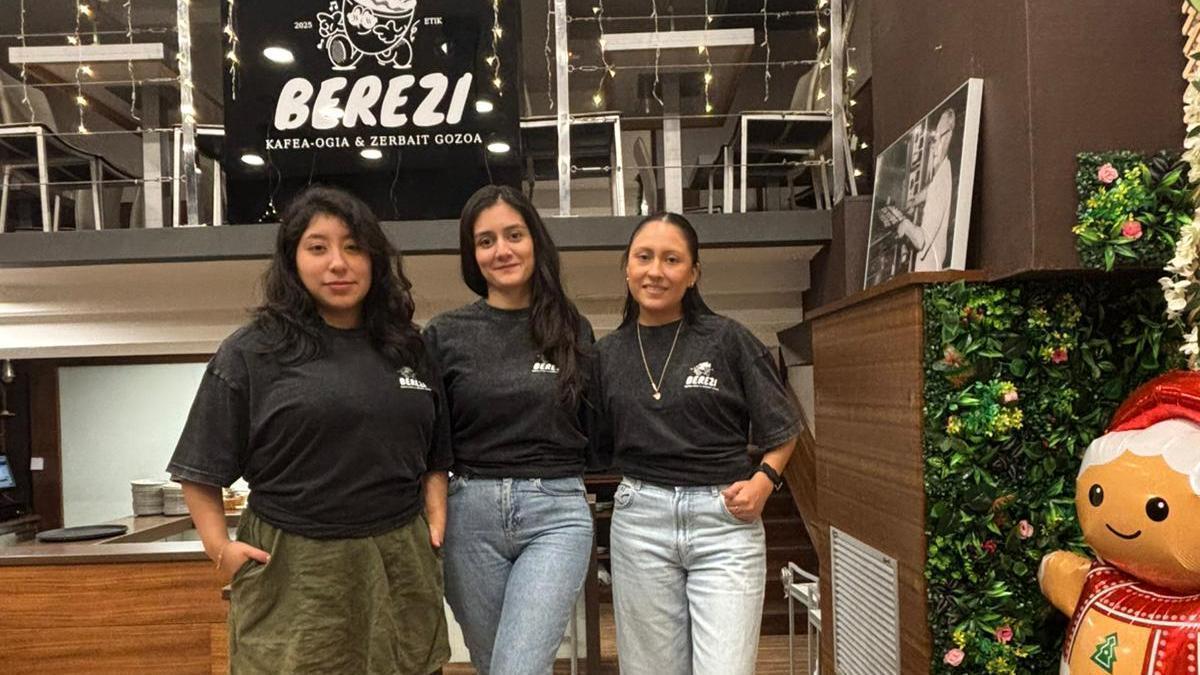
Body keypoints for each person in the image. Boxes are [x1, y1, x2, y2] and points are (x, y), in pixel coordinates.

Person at [166, 185, 451, 674]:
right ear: (293, 260)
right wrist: (220, 549)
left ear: (375, 260)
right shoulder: (252, 352)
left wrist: (435, 520)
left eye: (353, 247)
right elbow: (199, 469)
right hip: (294, 565)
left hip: (399, 561)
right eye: (318, 247)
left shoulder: (409, 347)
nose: (338, 263)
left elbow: (436, 454)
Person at [595, 212, 801, 675]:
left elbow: (784, 428)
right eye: (644, 257)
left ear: (692, 275)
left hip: (724, 521)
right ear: (627, 268)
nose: (655, 271)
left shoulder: (728, 339)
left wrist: (765, 481)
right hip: (640, 522)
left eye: (672, 259)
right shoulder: (606, 354)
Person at [423, 185, 595, 674]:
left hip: (556, 512)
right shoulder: (444, 333)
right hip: (468, 514)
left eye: (513, 235)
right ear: (471, 255)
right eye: (485, 241)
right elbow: (429, 436)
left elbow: (594, 420)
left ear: (535, 240)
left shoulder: (570, 328)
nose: (501, 250)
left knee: (517, 668)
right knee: (491, 663)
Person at [896, 107, 956, 272]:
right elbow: (931, 189)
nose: (932, 146)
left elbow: (921, 240)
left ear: (946, 138)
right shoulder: (945, 169)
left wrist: (905, 225)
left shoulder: (940, 184)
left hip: (926, 272)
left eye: (936, 138)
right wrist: (916, 199)